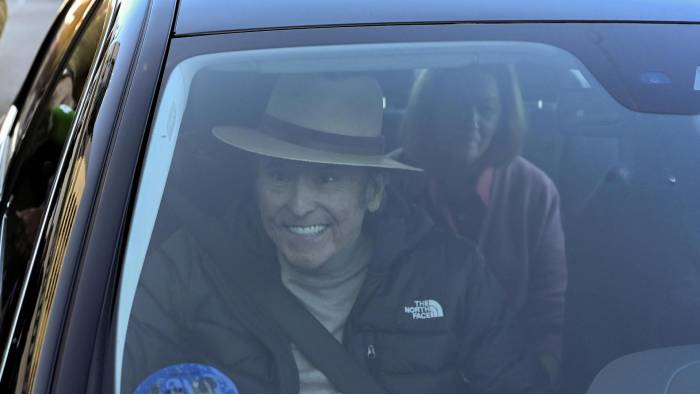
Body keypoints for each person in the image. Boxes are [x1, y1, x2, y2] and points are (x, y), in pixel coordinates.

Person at [123, 74, 550, 393]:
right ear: (255, 182)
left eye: (327, 180)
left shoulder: (451, 274)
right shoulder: (190, 266)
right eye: (278, 176)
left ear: (374, 192)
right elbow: (114, 371)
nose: (298, 204)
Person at [400, 66, 567, 383]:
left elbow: (551, 313)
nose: (471, 121)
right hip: (403, 373)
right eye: (456, 106)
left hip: (508, 374)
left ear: (504, 115)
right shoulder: (392, 183)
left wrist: (540, 382)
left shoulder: (534, 192)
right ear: (430, 111)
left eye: (486, 109)